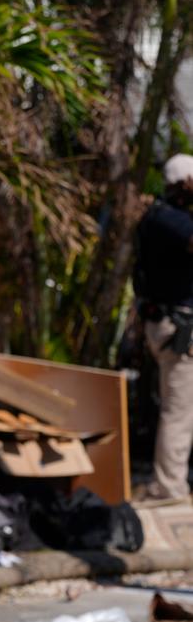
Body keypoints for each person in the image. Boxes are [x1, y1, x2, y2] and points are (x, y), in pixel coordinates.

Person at [133, 153, 193, 506]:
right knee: (178, 410)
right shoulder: (168, 220)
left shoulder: (168, 217)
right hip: (176, 329)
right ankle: (168, 487)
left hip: (171, 324)